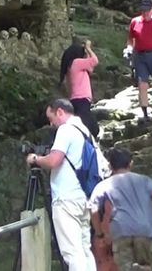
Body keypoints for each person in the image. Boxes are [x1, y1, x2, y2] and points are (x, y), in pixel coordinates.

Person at [25, 99, 97, 271]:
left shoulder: (66, 130)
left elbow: (54, 160)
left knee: (72, 252)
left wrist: (35, 159)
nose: (51, 123)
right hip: (83, 197)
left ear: (59, 112)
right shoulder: (84, 130)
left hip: (66, 198)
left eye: (51, 118)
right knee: (85, 249)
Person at [89, 148, 152, 271]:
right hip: (144, 230)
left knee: (124, 266)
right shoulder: (144, 180)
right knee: (146, 265)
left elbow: (93, 209)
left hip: (120, 232)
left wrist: (100, 234)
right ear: (131, 163)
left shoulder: (104, 185)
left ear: (110, 166)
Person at [61, 39, 100, 139]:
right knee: (89, 128)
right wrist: (88, 48)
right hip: (81, 99)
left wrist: (86, 53)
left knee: (91, 127)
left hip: (76, 99)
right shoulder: (76, 63)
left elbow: (90, 69)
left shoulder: (71, 66)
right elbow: (95, 61)